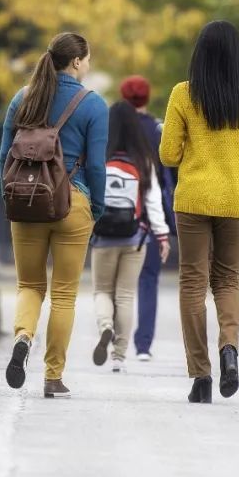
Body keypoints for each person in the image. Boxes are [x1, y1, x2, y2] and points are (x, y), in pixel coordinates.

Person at [160, 20, 239, 403]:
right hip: (238, 200)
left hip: (193, 199)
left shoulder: (183, 94)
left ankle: (201, 375)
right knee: (227, 280)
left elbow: (168, 154)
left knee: (192, 284)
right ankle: (230, 349)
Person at [0, 32, 108, 399]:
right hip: (72, 203)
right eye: (88, 58)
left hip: (26, 202)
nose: (89, 65)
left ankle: (23, 337)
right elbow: (96, 167)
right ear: (76, 62)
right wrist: (96, 207)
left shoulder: (22, 98)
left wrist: (12, 198)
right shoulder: (93, 105)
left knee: (29, 286)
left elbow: (4, 158)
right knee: (64, 295)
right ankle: (52, 377)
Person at [90, 101, 171, 373]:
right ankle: (119, 357)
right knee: (125, 295)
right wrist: (162, 236)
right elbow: (154, 202)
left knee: (102, 290)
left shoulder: (100, 156)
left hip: (102, 237)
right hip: (134, 238)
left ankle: (105, 326)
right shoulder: (143, 159)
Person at [120, 76, 176, 362]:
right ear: (147, 97)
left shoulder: (113, 129)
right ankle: (143, 345)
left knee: (118, 280)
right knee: (148, 278)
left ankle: (116, 336)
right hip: (151, 213)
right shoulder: (157, 131)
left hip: (118, 211)